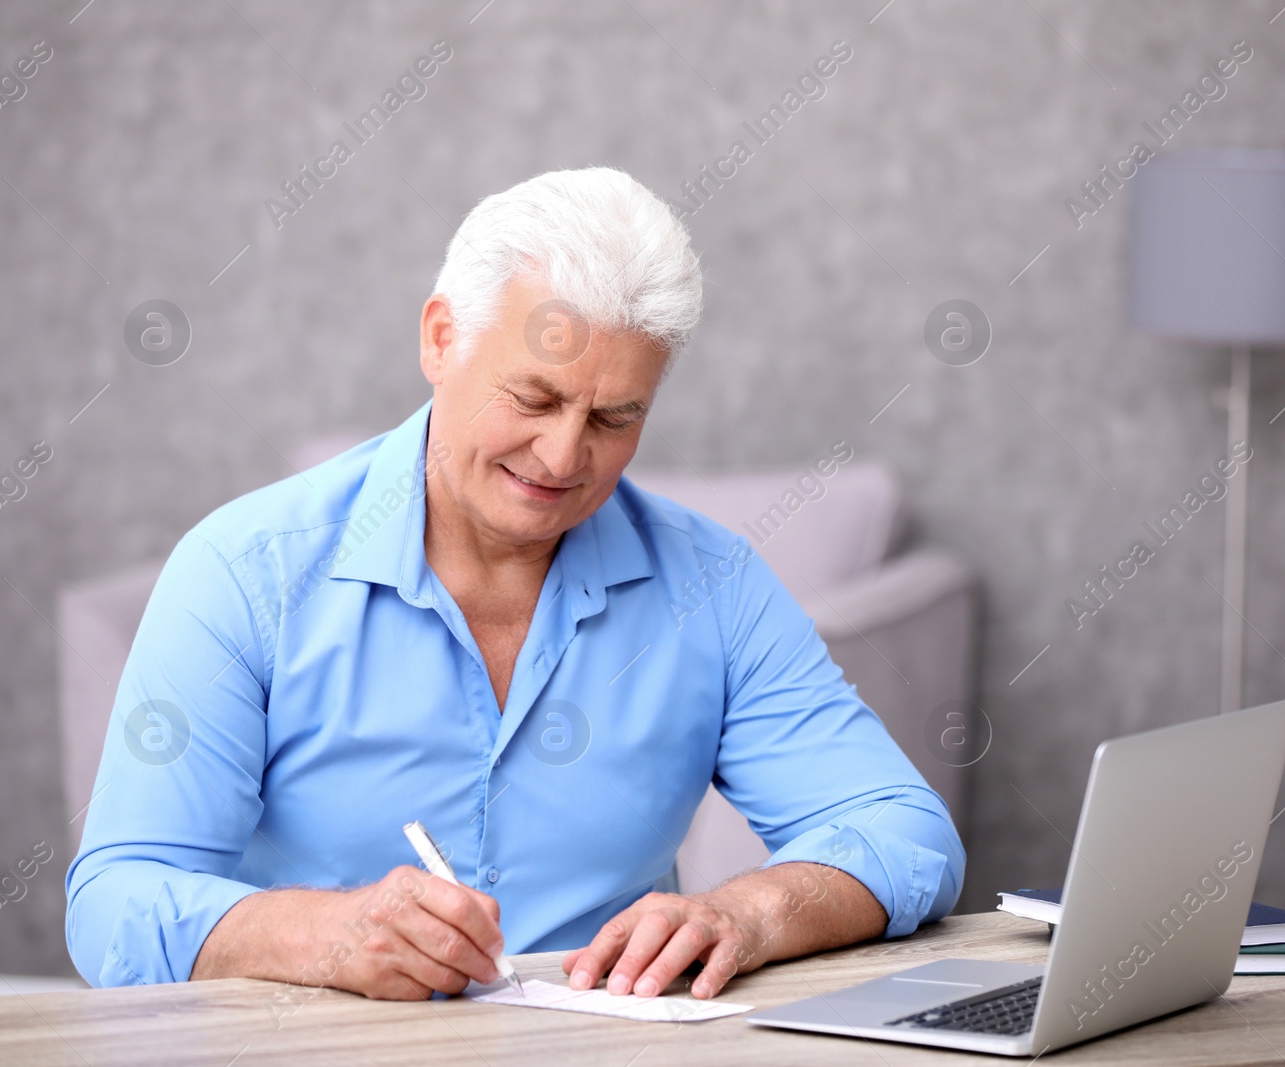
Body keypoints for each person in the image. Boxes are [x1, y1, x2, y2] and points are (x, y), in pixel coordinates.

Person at [66, 167, 963, 1002]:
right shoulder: (243, 569)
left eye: (614, 417)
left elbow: (904, 833)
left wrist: (748, 913)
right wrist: (323, 934)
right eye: (534, 399)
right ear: (440, 338)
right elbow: (112, 904)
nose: (565, 455)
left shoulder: (713, 585)